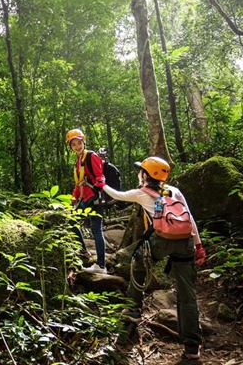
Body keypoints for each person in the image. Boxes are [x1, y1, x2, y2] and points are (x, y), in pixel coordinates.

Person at [101, 156, 206, 360]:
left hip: (161, 240)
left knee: (139, 264)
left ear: (146, 175)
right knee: (187, 294)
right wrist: (198, 245)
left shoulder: (142, 194)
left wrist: (102, 183)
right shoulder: (175, 191)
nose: (139, 173)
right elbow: (190, 218)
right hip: (185, 242)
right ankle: (192, 347)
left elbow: (117, 195)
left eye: (141, 171)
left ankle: (133, 310)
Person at [65, 128, 108, 274]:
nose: (77, 146)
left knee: (96, 229)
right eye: (73, 144)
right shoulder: (78, 161)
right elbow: (78, 184)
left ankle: (101, 265)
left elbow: (100, 176)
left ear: (83, 141)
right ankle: (84, 251)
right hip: (84, 198)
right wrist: (73, 199)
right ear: (71, 147)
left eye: (79, 143)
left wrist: (98, 188)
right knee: (71, 220)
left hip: (93, 198)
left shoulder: (91, 156)